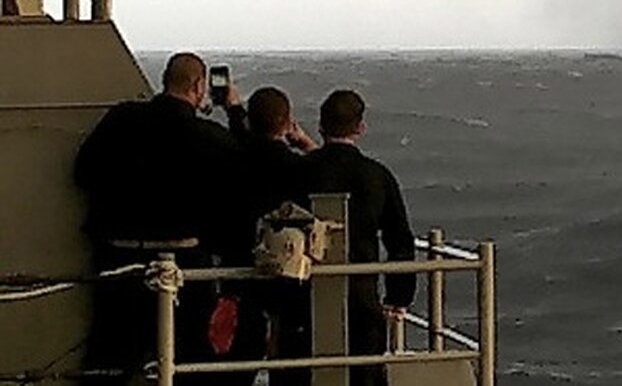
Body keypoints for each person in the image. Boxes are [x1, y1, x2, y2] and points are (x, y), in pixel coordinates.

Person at [74, 52, 240, 386]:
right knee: (188, 360)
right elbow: (243, 175)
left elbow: (84, 172)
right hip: (183, 264)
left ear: (165, 80)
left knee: (110, 362)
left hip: (119, 260)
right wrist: (234, 111)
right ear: (199, 86)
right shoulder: (209, 137)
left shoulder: (122, 118)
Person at [303, 89, 416, 386]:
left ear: (321, 126)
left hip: (304, 295)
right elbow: (399, 239)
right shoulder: (377, 176)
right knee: (365, 372)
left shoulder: (299, 171)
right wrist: (399, 296)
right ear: (360, 127)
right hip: (361, 293)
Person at [223, 85, 318, 386]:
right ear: (288, 123)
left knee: (237, 360)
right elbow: (330, 170)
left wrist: (233, 110)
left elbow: (245, 139)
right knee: (290, 361)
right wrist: (307, 144)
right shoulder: (300, 168)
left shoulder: (233, 160)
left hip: (239, 272)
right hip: (288, 275)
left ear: (251, 122)